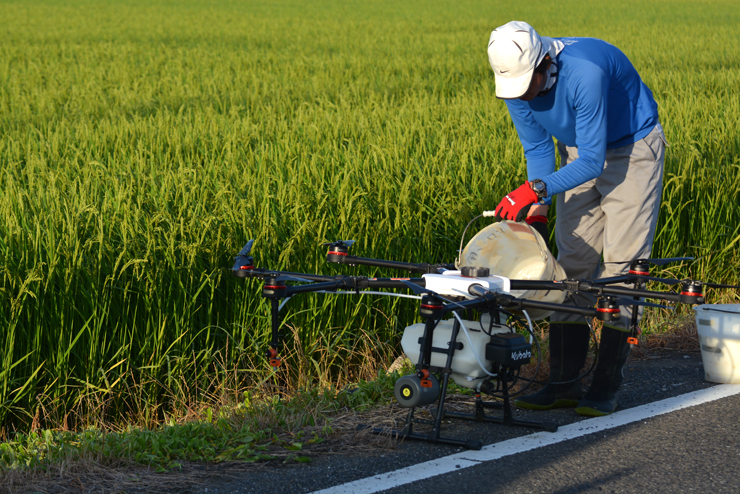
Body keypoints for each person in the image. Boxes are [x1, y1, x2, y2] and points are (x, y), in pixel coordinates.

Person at [487, 21, 667, 416]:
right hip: (578, 154)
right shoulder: (515, 83)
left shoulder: (585, 72)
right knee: (570, 266)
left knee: (623, 266)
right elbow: (537, 147)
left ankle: (605, 386)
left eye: (528, 84)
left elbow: (592, 159)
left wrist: (534, 190)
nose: (524, 94)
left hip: (632, 150)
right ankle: (563, 384)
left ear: (544, 63)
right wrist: (539, 208)